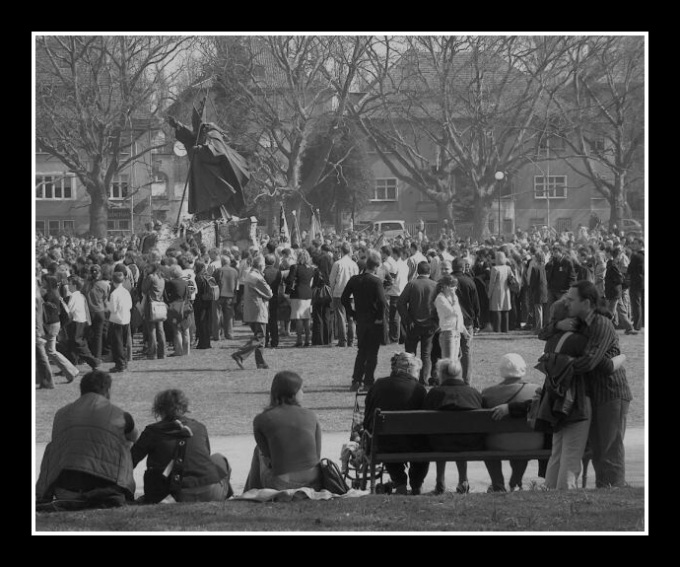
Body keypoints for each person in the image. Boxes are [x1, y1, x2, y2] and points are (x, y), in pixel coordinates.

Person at [543, 280, 632, 488]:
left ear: (587, 302)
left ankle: (612, 491)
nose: (567, 304)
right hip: (594, 391)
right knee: (599, 449)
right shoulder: (579, 322)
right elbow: (544, 333)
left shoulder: (600, 323)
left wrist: (560, 362)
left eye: (572, 300)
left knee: (608, 449)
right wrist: (558, 325)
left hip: (610, 392)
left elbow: (588, 362)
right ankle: (607, 490)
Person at [36, 370, 138, 508]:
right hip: (108, 490)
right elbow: (134, 438)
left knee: (54, 446)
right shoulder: (121, 415)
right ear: (107, 390)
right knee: (125, 443)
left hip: (66, 491)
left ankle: (48, 496)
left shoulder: (61, 414)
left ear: (82, 390)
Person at [131, 389, 233, 503]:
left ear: (159, 409)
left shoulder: (152, 431)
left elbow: (130, 461)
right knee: (219, 458)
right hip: (210, 493)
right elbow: (205, 456)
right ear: (184, 407)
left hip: (174, 495)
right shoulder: (199, 427)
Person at [363, 352, 429, 495]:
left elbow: (367, 418)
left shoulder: (378, 385)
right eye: (418, 370)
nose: (418, 374)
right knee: (420, 441)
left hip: (383, 445)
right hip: (414, 445)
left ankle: (399, 482)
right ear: (410, 370)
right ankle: (416, 484)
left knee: (387, 439)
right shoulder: (419, 390)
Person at [243, 371, 322, 491]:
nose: (303, 393)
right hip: (314, 482)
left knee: (258, 450)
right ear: (294, 393)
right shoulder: (311, 415)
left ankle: (250, 492)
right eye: (301, 389)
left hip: (281, 484)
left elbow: (268, 460)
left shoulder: (261, 419)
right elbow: (317, 455)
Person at [480, 353, 544, 492]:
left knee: (487, 443)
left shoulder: (488, 393)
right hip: (532, 442)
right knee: (521, 438)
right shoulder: (536, 390)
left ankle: (498, 484)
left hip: (498, 443)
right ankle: (515, 482)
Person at [422, 358, 483, 494]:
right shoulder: (473, 393)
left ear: (441, 374)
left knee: (441, 434)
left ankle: (440, 482)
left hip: (439, 443)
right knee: (460, 434)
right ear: (460, 373)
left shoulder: (435, 394)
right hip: (470, 443)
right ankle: (463, 481)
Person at [341, 250, 388, 391]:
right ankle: (368, 382)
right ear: (376, 267)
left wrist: (352, 314)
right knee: (372, 352)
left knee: (361, 351)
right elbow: (382, 302)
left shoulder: (355, 280)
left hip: (361, 319)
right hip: (374, 321)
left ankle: (356, 380)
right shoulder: (376, 281)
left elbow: (344, 298)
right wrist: (380, 317)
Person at [397, 260, 438, 384]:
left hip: (413, 324)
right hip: (430, 325)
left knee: (410, 354)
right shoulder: (435, 285)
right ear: (429, 271)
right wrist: (436, 321)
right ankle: (424, 380)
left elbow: (401, 303)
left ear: (417, 271)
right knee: (426, 354)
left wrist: (407, 319)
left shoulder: (412, 284)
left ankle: (410, 379)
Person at [232, 254, 273, 370]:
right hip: (258, 310)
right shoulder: (257, 277)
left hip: (252, 310)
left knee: (260, 337)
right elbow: (269, 293)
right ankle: (239, 355)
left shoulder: (250, 274)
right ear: (260, 265)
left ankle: (260, 362)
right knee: (260, 336)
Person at [41, 274, 79, 383]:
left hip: (50, 325)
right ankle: (71, 371)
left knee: (50, 351)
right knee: (49, 351)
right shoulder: (55, 293)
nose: (42, 283)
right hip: (54, 324)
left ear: (48, 282)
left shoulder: (49, 295)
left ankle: (71, 371)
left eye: (43, 281)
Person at [451, 258, 480, 384]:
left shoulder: (446, 281)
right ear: (463, 268)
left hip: (450, 321)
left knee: (452, 351)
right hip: (467, 320)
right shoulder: (469, 282)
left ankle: (452, 379)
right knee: (466, 351)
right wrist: (477, 321)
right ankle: (466, 380)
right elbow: (476, 304)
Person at [64, 275, 101, 370]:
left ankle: (94, 361)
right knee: (71, 345)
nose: (68, 286)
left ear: (75, 285)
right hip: (82, 321)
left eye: (70, 284)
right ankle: (70, 366)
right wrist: (88, 321)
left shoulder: (73, 296)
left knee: (78, 344)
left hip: (76, 322)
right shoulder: (81, 295)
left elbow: (69, 310)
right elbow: (86, 309)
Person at [433, 274, 470, 367]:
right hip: (448, 332)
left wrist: (464, 330)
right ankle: (445, 380)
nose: (455, 288)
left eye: (455, 286)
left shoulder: (454, 297)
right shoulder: (440, 298)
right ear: (445, 286)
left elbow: (459, 315)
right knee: (448, 361)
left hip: (457, 332)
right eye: (453, 286)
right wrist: (454, 298)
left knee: (455, 360)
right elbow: (451, 312)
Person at [329, 241, 358, 347]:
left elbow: (332, 280)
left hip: (339, 292)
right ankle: (351, 340)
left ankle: (343, 340)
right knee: (351, 317)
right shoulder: (354, 264)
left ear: (341, 251)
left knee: (341, 316)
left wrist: (332, 290)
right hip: (351, 294)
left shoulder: (337, 263)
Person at [285, 249, 317, 347]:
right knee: (306, 318)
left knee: (298, 318)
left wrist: (287, 288)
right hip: (308, 293)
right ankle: (307, 340)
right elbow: (314, 282)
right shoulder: (312, 269)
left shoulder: (295, 267)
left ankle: (299, 340)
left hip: (298, 293)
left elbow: (289, 280)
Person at [604, 247, 637, 335]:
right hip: (614, 292)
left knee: (621, 311)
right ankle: (605, 328)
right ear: (618, 255)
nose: (621, 257)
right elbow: (619, 279)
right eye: (620, 255)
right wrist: (623, 277)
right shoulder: (613, 265)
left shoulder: (611, 264)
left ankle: (629, 328)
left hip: (616, 292)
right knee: (612, 311)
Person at [106, 271, 132, 373]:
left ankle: (120, 364)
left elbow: (113, 309)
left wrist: (107, 304)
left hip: (116, 320)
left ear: (113, 281)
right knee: (123, 343)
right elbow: (130, 305)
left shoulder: (114, 294)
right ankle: (124, 362)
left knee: (117, 344)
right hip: (126, 318)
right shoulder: (126, 292)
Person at [163, 264, 192, 357]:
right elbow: (189, 295)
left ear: (172, 273)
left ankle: (178, 351)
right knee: (186, 329)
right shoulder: (185, 282)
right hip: (185, 307)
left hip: (175, 307)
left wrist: (168, 303)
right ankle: (186, 351)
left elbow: (167, 295)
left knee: (177, 330)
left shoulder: (171, 283)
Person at [141, 261, 167, 358]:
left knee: (152, 330)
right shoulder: (161, 277)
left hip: (151, 304)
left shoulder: (151, 277)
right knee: (160, 330)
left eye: (149, 267)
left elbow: (143, 289)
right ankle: (163, 352)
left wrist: (144, 277)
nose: (147, 269)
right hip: (160, 304)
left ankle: (153, 353)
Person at [545, 243, 577, 322]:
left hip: (563, 291)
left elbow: (572, 277)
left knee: (561, 309)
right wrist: (549, 263)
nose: (554, 254)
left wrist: (569, 289)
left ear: (560, 252)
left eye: (556, 252)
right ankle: (550, 326)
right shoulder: (553, 261)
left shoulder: (567, 262)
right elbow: (546, 270)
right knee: (550, 309)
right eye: (553, 252)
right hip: (552, 289)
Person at [487, 251, 513, 333]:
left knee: (497, 310)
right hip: (506, 290)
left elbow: (492, 283)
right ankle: (505, 329)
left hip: (496, 291)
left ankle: (497, 329)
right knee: (505, 310)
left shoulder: (495, 268)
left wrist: (489, 293)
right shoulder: (508, 268)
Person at [262, 253, 282, 349]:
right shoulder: (278, 272)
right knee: (274, 320)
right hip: (274, 297)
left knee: (265, 320)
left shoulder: (263, 272)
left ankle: (265, 340)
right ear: (274, 262)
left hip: (264, 298)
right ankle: (275, 341)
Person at [193, 260, 213, 350]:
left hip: (200, 303)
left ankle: (202, 343)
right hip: (207, 302)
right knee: (206, 322)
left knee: (201, 323)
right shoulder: (206, 277)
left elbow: (197, 292)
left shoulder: (198, 278)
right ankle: (207, 342)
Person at [529, 248, 549, 332]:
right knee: (545, 311)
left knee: (538, 311)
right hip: (546, 291)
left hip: (537, 291)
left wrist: (531, 291)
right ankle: (544, 327)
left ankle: (539, 328)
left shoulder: (535, 268)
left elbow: (532, 282)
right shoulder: (547, 267)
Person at [627, 238, 644, 331]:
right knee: (641, 304)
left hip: (636, 282)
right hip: (643, 282)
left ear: (641, 244)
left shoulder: (636, 256)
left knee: (636, 304)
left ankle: (637, 325)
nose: (634, 245)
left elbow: (629, 269)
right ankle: (642, 324)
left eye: (636, 243)